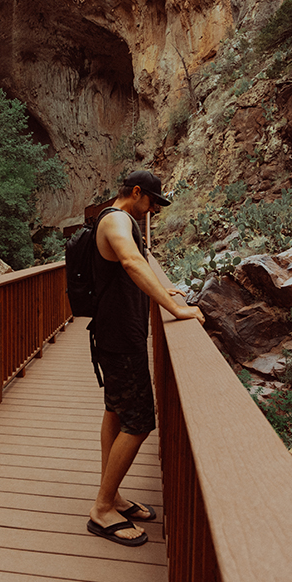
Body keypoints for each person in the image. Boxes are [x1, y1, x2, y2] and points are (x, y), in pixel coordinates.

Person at [87, 170, 204, 546]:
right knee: (138, 422)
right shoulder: (118, 218)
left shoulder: (112, 218)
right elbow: (134, 264)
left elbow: (137, 268)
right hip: (121, 339)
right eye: (151, 202)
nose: (152, 209)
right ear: (135, 193)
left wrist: (163, 287)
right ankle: (102, 509)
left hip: (116, 335)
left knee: (116, 411)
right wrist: (175, 307)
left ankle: (113, 493)